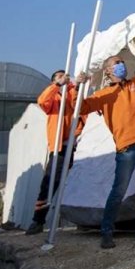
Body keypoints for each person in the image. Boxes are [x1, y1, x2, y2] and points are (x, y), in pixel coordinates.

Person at [76, 56, 135, 249]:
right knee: (119, 190)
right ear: (108, 71)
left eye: (121, 61)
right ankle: (106, 232)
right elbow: (81, 107)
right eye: (116, 63)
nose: (121, 65)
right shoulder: (104, 95)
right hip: (127, 146)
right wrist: (79, 86)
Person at [25, 70, 85, 235]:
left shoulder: (73, 92)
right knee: (50, 183)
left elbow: (81, 107)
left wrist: (79, 85)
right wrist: (57, 85)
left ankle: (83, 219)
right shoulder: (53, 98)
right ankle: (38, 220)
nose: (64, 77)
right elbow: (42, 101)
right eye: (59, 76)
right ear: (54, 81)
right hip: (60, 147)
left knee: (80, 181)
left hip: (78, 144)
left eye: (65, 75)